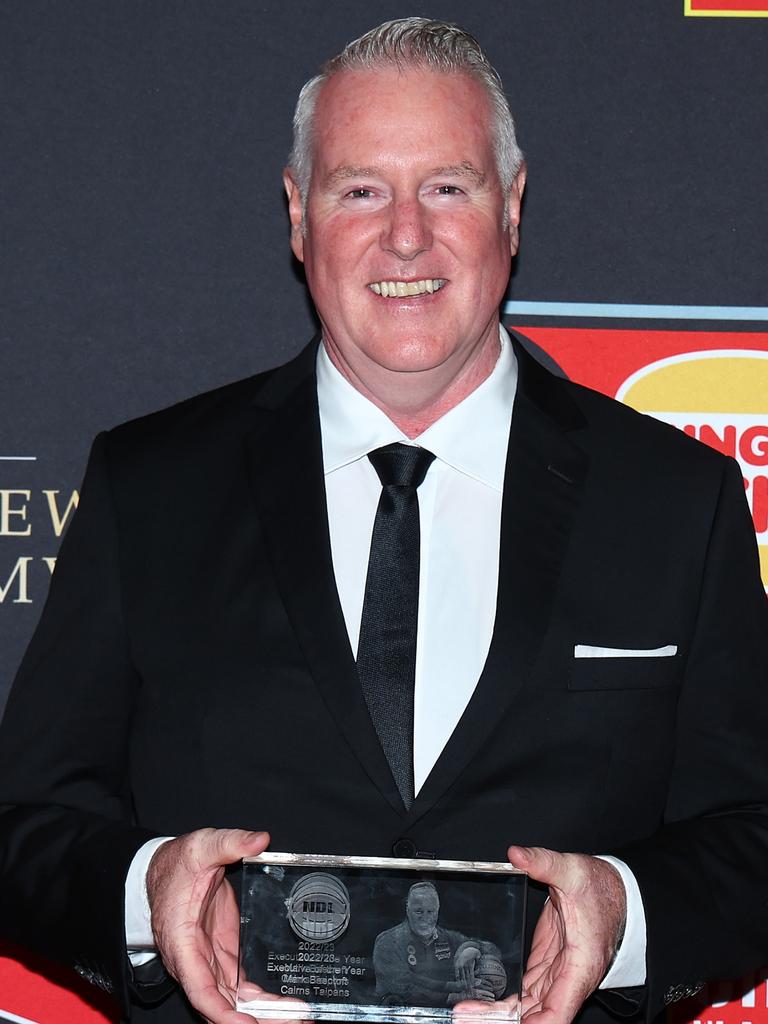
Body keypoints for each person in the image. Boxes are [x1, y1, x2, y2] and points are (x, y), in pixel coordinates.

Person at [0, 16, 767, 1024]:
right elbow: (25, 824)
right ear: (297, 216)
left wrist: (623, 911)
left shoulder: (674, 502)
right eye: (360, 189)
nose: (406, 234)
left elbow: (753, 834)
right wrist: (151, 888)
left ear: (513, 208)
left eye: (448, 187)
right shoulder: (153, 485)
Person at [373, 881, 505, 1006]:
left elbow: (494, 951)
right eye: (419, 911)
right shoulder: (387, 942)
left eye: (430, 911)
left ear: (437, 911)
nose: (425, 917)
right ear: (407, 910)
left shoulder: (449, 938)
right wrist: (454, 997)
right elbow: (401, 988)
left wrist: (471, 948)